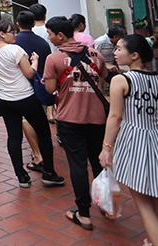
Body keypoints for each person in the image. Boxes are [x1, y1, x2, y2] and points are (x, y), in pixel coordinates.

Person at [100, 35, 158, 246]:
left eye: (119, 49)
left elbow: (115, 116)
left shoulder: (121, 80)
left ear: (134, 55)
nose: (115, 52)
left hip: (135, 142)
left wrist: (106, 148)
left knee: (145, 206)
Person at [44, 16, 108, 231]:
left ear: (60, 35)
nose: (49, 38)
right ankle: (105, 203)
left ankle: (84, 213)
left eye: (50, 34)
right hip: (97, 118)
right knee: (99, 163)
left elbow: (50, 89)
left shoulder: (54, 59)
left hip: (70, 119)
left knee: (78, 165)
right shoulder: (96, 55)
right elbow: (103, 79)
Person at [0, 20, 65, 189]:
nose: (15, 34)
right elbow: (29, 73)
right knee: (43, 133)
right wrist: (34, 61)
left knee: (14, 137)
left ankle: (21, 176)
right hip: (26, 98)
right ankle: (49, 173)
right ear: (2, 34)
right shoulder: (15, 50)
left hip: (5, 100)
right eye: (11, 32)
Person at [15, 10, 54, 167]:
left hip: (21, 86)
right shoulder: (43, 42)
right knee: (40, 117)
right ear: (33, 24)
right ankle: (41, 151)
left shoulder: (14, 42)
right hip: (40, 85)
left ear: (18, 24)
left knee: (26, 119)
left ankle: (37, 153)